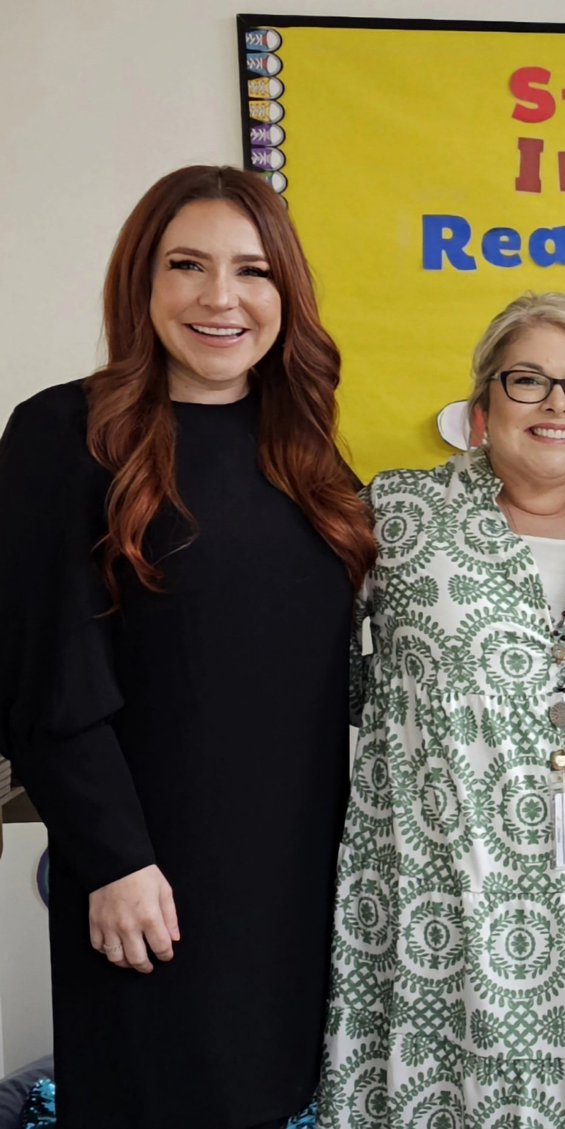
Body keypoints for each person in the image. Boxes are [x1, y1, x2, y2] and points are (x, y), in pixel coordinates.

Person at [0, 165, 376, 1129]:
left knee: (271, 1097)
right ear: (142, 283)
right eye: (187, 266)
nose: (221, 297)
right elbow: (47, 674)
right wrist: (115, 858)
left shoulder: (305, 452)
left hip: (294, 872)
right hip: (147, 872)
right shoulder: (64, 432)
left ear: (285, 293)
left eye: (252, 271)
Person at [318, 293, 565, 1129]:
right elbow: (319, 674)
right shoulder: (394, 515)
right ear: (483, 401)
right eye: (529, 380)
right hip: (442, 890)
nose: (558, 404)